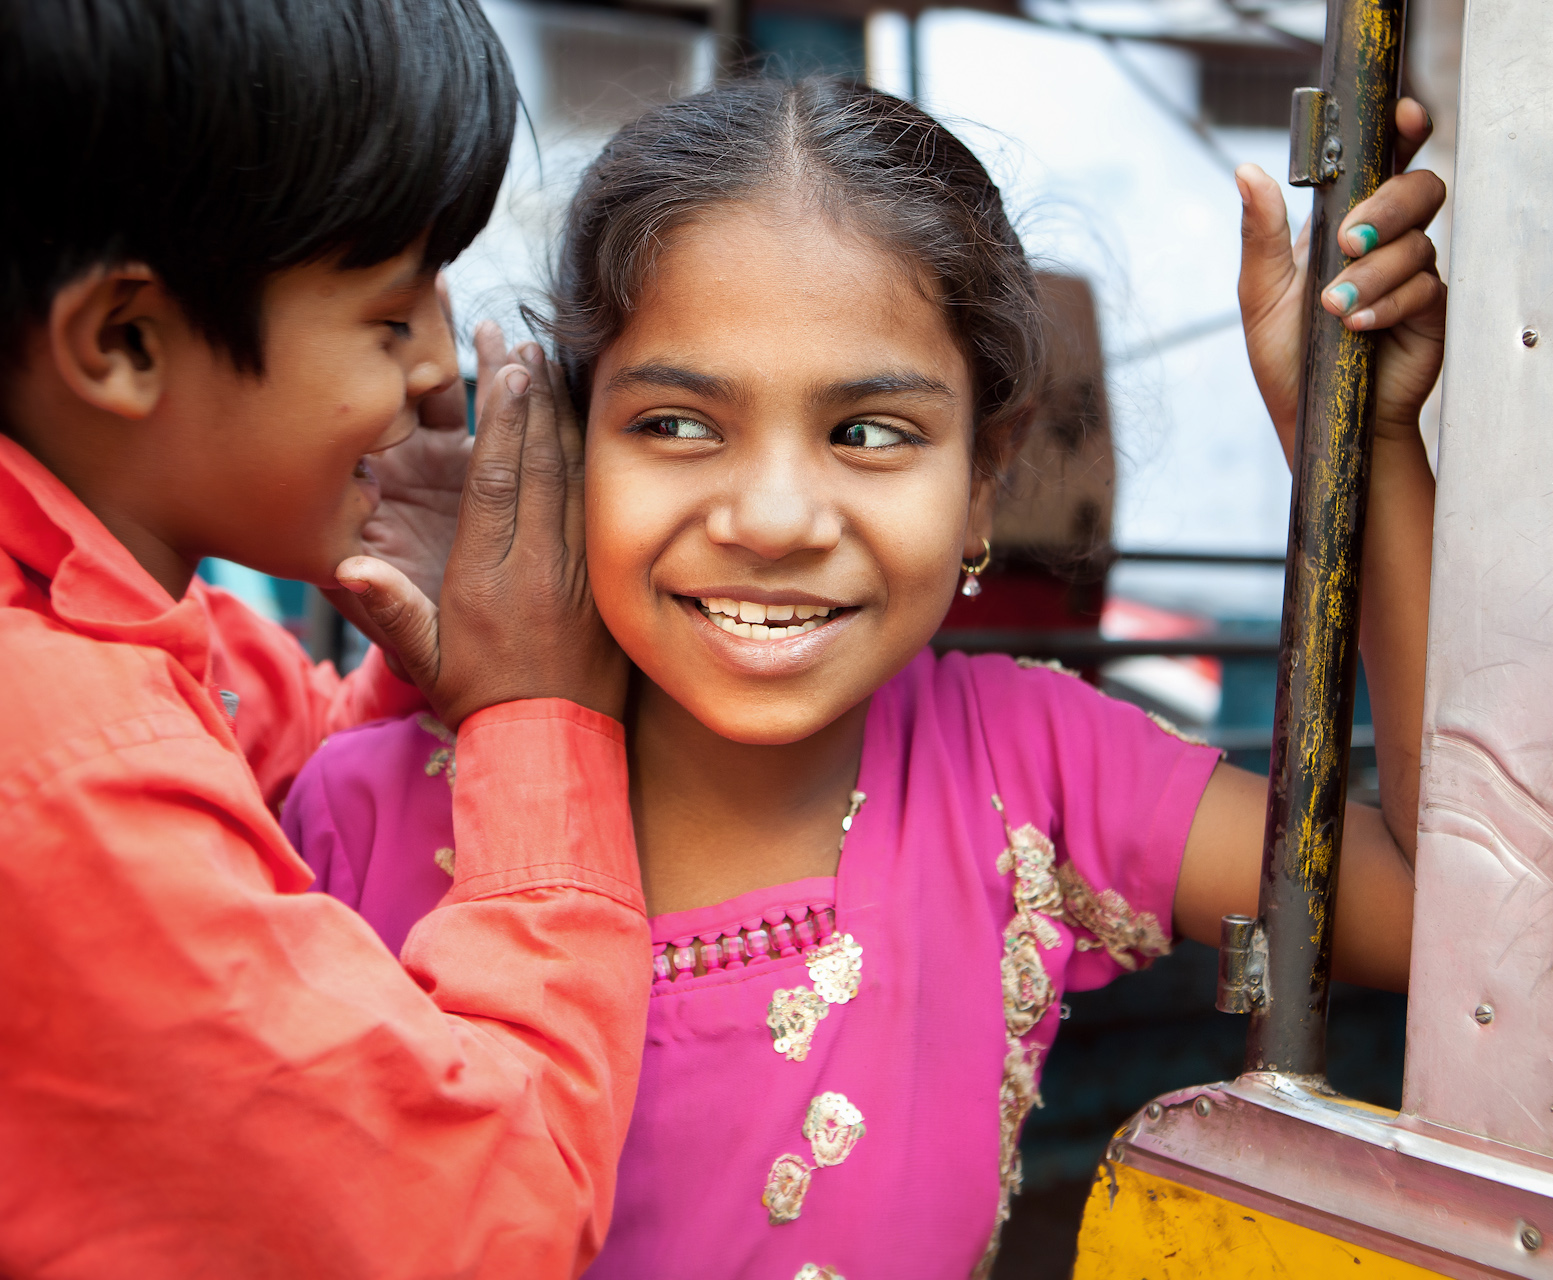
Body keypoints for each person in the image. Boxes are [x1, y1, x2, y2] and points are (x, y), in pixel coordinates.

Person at [286, 77, 1447, 1278]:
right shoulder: (360, 814)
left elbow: (1435, 911)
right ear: (573, 443)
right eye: (679, 424)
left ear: (985, 473)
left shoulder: (1029, 771)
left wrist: (1357, 448)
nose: (776, 518)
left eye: (870, 432)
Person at [0, 1, 652, 1275]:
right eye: (390, 317)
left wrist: (434, 635)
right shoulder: (62, 767)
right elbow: (484, 1210)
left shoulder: (152, 634)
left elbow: (290, 758)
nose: (434, 376)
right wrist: (538, 715)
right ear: (125, 342)